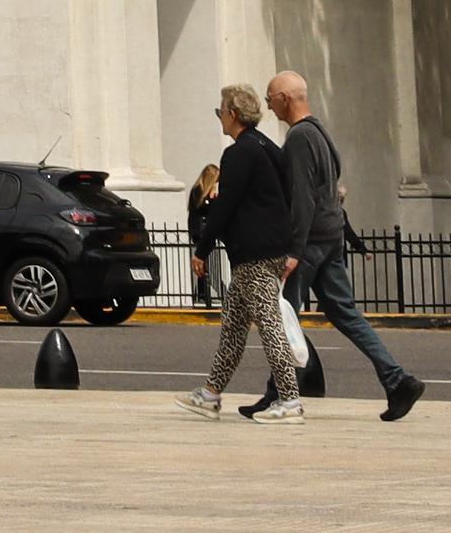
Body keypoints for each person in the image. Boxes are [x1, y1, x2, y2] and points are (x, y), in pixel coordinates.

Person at [267, 70, 422, 421]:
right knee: (345, 313)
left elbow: (304, 198)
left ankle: (278, 395)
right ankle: (397, 380)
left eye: (270, 99)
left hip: (309, 245)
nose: (269, 106)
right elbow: (332, 188)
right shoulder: (322, 134)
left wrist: (293, 250)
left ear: (284, 99)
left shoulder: (298, 139)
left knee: (282, 316)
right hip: (331, 239)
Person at [179, 86, 303, 423]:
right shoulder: (267, 147)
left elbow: (226, 207)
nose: (219, 117)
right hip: (271, 247)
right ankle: (210, 394)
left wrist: (202, 247)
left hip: (254, 253)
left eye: (221, 111)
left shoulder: (237, 154)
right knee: (233, 326)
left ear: (232, 114)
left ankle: (290, 400)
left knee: (269, 324)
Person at [187, 161, 223, 310]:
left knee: (208, 263)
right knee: (203, 263)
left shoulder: (204, 192)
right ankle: (203, 292)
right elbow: (204, 208)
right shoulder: (199, 191)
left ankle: (205, 290)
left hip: (203, 231)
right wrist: (214, 199)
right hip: (200, 232)